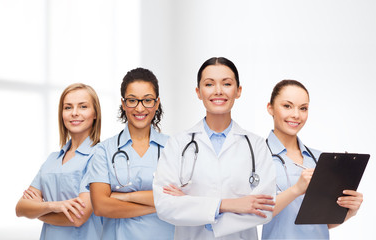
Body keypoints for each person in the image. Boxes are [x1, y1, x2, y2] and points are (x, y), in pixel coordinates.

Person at [153, 57, 276, 239]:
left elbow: (264, 209)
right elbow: (165, 206)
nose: (218, 91)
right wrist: (226, 205)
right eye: (209, 84)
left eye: (226, 84)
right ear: (198, 92)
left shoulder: (256, 145)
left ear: (238, 91)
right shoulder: (178, 144)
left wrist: (190, 204)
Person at [261, 80, 364, 239]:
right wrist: (296, 190)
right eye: (287, 106)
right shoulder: (258, 156)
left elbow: (321, 224)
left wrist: (349, 211)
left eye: (303, 108)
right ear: (270, 108)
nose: (296, 114)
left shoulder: (319, 159)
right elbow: (256, 213)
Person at [87, 67, 174, 239]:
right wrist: (156, 206)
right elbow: (101, 206)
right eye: (132, 100)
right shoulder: (104, 150)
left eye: (147, 100)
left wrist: (125, 197)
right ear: (123, 103)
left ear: (156, 103)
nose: (140, 108)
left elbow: (180, 199)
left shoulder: (173, 148)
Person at [15, 83, 102, 240]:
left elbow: (78, 217)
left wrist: (38, 212)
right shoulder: (52, 159)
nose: (74, 113)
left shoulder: (99, 156)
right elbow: (20, 208)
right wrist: (52, 206)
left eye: (83, 106)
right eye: (68, 107)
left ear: (95, 113)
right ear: (61, 114)